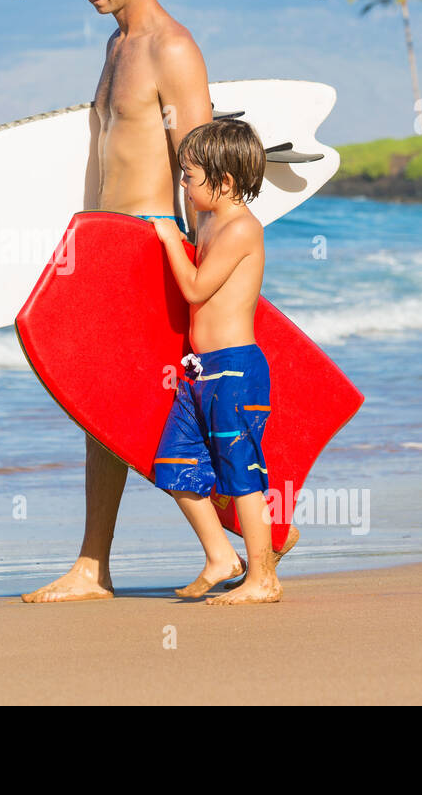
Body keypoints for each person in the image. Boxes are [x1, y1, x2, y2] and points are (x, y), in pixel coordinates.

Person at [21, 0, 297, 603]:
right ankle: (100, 565)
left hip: (152, 249)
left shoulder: (172, 48)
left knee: (145, 404)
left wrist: (212, 270)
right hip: (107, 248)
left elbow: (203, 172)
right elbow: (99, 152)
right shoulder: (115, 47)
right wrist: (78, 247)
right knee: (99, 405)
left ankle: (233, 545)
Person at [150, 119, 286, 604]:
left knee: (240, 476)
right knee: (173, 464)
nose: (182, 185)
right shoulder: (207, 219)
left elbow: (194, 287)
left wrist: (168, 240)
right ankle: (221, 558)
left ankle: (263, 577)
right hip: (199, 372)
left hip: (235, 372)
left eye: (189, 176)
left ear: (224, 182)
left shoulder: (241, 227)